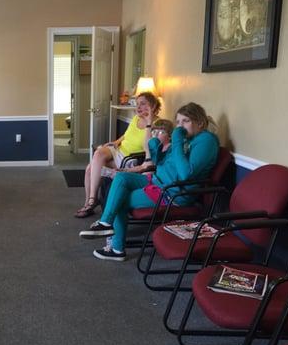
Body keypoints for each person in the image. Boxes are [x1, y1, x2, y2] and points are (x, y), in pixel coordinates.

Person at [79, 102, 219, 262]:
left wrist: (178, 141)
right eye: (178, 122)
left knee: (120, 199)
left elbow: (186, 174)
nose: (180, 126)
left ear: (200, 122)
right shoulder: (187, 139)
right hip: (157, 181)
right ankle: (105, 222)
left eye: (185, 121)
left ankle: (117, 248)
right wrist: (156, 146)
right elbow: (159, 163)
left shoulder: (206, 140)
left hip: (172, 193)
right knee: (121, 178)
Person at [74, 92, 161, 218]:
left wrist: (149, 122)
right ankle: (91, 199)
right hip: (119, 150)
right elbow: (126, 134)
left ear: (153, 106)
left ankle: (90, 203)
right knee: (98, 153)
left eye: (143, 104)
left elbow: (148, 148)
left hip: (129, 158)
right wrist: (116, 142)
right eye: (137, 104)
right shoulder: (136, 119)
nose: (139, 107)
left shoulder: (157, 124)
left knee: (90, 168)